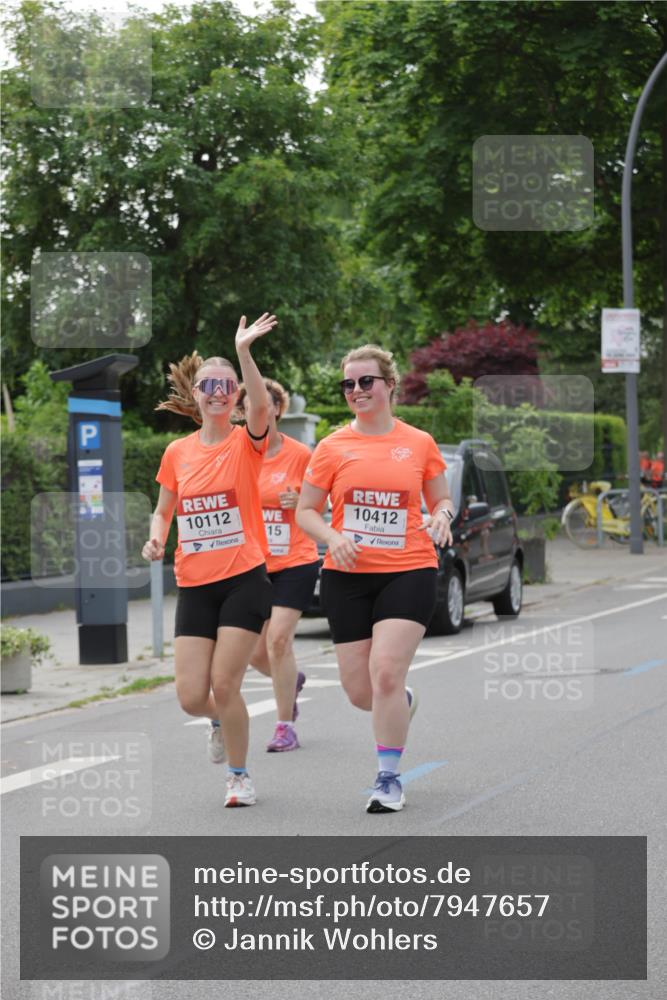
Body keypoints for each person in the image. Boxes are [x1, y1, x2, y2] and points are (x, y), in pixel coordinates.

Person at [296, 345, 454, 813]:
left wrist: (442, 517)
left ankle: (388, 779)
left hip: (409, 568)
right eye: (349, 384)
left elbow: (441, 499)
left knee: (384, 671)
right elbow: (305, 510)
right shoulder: (331, 447)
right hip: (346, 575)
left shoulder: (419, 442)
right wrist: (331, 535)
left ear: (389, 384)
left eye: (366, 381)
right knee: (361, 692)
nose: (357, 391)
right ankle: (401, 700)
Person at [141, 313, 277, 808]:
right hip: (195, 584)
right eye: (208, 385)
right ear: (195, 394)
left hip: (244, 579)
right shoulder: (177, 452)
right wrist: (156, 539)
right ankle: (219, 721)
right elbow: (163, 512)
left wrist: (243, 353)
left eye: (226, 386)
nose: (217, 392)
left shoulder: (248, 440)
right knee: (192, 697)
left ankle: (239, 777)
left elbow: (262, 404)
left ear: (235, 394)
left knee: (225, 682)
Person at [237, 378, 319, 752]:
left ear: (276, 409)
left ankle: (285, 726)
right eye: (249, 404)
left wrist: (299, 500)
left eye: (263, 402)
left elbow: (323, 506)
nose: (256, 408)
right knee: (256, 653)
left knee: (279, 640)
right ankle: (291, 680)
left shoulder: (300, 454)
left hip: (295, 560)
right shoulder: (235, 453)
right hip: (253, 565)